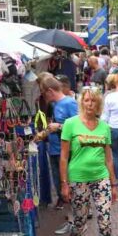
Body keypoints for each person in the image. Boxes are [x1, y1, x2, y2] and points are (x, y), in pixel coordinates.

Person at [60, 88, 116, 236]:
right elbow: (63, 156)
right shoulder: (70, 124)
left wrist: (113, 184)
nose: (90, 104)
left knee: (105, 218)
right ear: (81, 103)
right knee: (80, 220)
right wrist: (64, 183)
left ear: (98, 104)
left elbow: (109, 158)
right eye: (87, 100)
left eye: (93, 101)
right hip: (78, 178)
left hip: (101, 177)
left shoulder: (105, 127)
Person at [36, 76, 78, 215]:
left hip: (65, 151)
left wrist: (59, 126)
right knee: (60, 184)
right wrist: (45, 133)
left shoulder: (69, 103)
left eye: (43, 93)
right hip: (55, 150)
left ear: (49, 91)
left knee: (68, 184)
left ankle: (76, 217)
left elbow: (80, 125)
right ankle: (71, 217)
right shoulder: (55, 105)